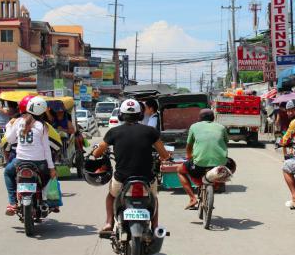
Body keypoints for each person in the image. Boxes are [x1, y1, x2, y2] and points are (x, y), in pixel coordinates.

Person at [92, 99, 170, 232]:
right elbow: (163, 155)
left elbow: (96, 153)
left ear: (121, 115)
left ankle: (109, 222)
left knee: (111, 196)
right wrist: (166, 156)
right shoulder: (150, 131)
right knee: (154, 198)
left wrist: (97, 151)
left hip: (122, 179)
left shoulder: (113, 132)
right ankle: (155, 226)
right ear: (140, 115)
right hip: (147, 178)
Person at [4, 96, 57, 216]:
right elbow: (46, 149)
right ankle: (46, 199)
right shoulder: (42, 126)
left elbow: (10, 139)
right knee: (49, 177)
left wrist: (8, 126)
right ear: (43, 111)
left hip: (20, 161)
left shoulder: (18, 122)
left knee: (8, 172)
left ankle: (12, 203)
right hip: (39, 163)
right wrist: (52, 168)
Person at [177, 109, 229, 209]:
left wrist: (189, 156)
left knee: (179, 170)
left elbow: (189, 146)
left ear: (199, 119)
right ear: (213, 118)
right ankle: (217, 186)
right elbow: (225, 143)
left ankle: (192, 198)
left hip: (199, 165)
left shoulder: (194, 126)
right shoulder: (221, 127)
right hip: (219, 165)